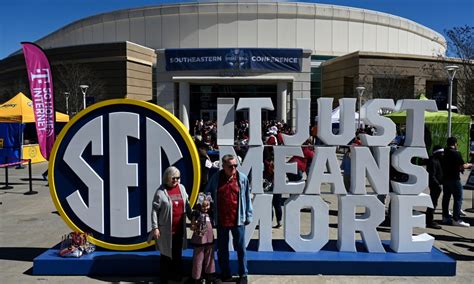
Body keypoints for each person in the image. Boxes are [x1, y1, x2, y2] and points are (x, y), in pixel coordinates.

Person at [205, 154, 253, 284]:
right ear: (223, 166)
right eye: (230, 166)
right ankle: (226, 273)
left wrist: (248, 214)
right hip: (221, 220)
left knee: (241, 248)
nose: (234, 168)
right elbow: (207, 192)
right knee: (222, 249)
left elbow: (247, 197)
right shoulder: (216, 178)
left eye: (235, 165)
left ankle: (243, 274)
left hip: (238, 220)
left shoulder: (242, 179)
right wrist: (207, 202)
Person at [150, 166, 192, 283]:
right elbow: (154, 211)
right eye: (173, 178)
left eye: (178, 178)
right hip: (166, 231)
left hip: (179, 229)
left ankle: (177, 277)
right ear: (167, 177)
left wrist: (192, 216)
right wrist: (155, 228)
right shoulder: (160, 192)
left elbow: (187, 205)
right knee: (166, 256)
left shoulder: (182, 188)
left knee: (177, 254)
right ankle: (164, 279)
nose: (176, 181)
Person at [441, 137, 472, 227]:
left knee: (446, 197)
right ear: (455, 143)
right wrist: (470, 165)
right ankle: (456, 219)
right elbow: (462, 166)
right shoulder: (456, 153)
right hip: (454, 178)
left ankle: (445, 216)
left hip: (445, 178)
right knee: (458, 199)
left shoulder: (444, 152)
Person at [190, 193, 216, 283]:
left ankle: (209, 275)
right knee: (198, 258)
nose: (206, 208)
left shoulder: (210, 215)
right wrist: (196, 225)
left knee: (210, 257)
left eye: (207, 206)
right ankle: (196, 277)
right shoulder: (197, 214)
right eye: (203, 206)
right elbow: (192, 226)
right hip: (199, 240)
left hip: (209, 239)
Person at [425, 145, 444, 229]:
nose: (443, 154)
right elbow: (431, 175)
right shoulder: (433, 161)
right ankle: (429, 221)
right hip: (435, 185)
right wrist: (438, 185)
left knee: (434, 203)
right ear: (437, 153)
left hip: (436, 185)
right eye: (441, 153)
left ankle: (429, 219)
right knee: (433, 203)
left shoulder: (437, 160)